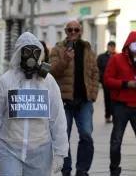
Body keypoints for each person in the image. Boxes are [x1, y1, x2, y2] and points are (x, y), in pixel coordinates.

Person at [0, 32, 68, 176]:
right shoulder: (5, 82)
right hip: (8, 148)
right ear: (19, 54)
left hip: (41, 150)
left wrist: (60, 151)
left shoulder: (48, 82)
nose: (31, 56)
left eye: (35, 52)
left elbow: (57, 119)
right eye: (26, 52)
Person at [49, 20, 99, 176]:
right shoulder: (58, 49)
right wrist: (66, 59)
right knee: (63, 137)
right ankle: (66, 170)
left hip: (84, 101)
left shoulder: (88, 49)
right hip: (65, 101)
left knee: (86, 135)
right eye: (69, 30)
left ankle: (82, 170)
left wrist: (93, 93)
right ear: (65, 31)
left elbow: (95, 73)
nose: (73, 32)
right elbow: (52, 71)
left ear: (81, 31)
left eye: (76, 30)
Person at [104, 31, 136, 176]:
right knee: (116, 140)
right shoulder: (116, 59)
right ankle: (114, 169)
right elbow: (107, 80)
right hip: (121, 106)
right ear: (128, 45)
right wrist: (125, 84)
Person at [97, 41, 116, 123]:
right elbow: (98, 68)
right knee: (107, 99)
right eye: (110, 46)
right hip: (106, 82)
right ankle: (108, 115)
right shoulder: (101, 57)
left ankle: (115, 115)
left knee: (115, 99)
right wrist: (101, 78)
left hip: (115, 82)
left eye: (113, 46)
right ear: (107, 47)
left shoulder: (117, 56)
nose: (111, 48)